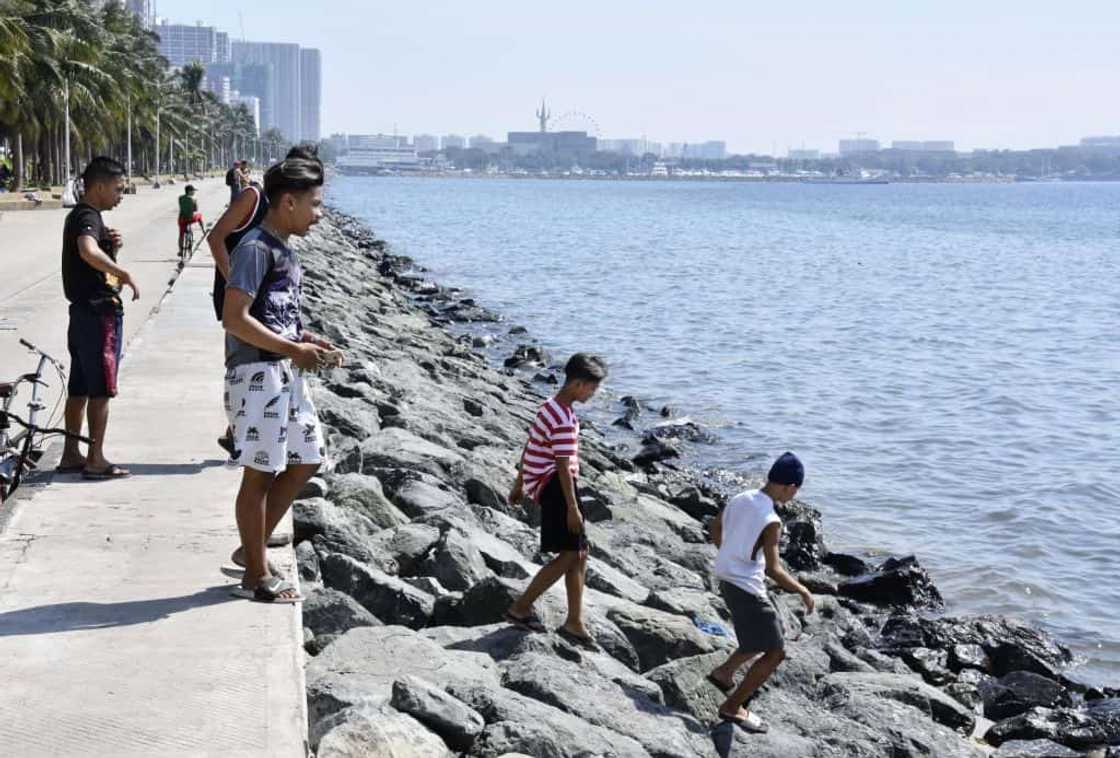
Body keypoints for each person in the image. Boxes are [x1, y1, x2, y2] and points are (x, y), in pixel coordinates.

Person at [222, 151, 341, 603]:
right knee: (259, 475)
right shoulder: (255, 248)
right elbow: (234, 318)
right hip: (258, 374)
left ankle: (250, 549)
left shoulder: (282, 249)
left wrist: (310, 340)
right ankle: (255, 575)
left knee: (306, 458)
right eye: (315, 204)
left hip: (283, 371)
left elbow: (276, 317)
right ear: (288, 202)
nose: (319, 214)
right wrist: (294, 349)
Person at [208, 145, 318, 461]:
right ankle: (240, 431)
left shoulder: (280, 225)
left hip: (258, 285)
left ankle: (237, 433)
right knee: (242, 353)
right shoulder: (254, 196)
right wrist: (237, 281)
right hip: (241, 282)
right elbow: (216, 237)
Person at [706, 451, 815, 733]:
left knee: (755, 640)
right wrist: (803, 590)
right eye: (796, 490)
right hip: (747, 586)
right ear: (790, 486)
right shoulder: (771, 520)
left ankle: (724, 672)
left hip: (727, 578)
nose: (794, 495)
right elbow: (774, 570)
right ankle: (733, 707)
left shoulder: (741, 497)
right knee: (776, 651)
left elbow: (715, 526)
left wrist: (728, 553)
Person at [505, 353, 608, 647]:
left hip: (546, 482)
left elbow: (531, 445)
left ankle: (574, 621)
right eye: (592, 388)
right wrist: (573, 509)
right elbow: (563, 465)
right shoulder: (563, 418)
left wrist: (520, 483)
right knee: (569, 554)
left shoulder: (550, 406)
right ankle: (520, 607)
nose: (594, 393)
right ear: (577, 384)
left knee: (579, 552)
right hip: (557, 487)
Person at [57, 157, 139, 480]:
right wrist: (123, 272)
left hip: (80, 314)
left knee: (78, 387)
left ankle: (70, 453)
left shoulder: (83, 216)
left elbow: (93, 251)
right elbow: (87, 251)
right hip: (98, 313)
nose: (122, 194)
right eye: (118, 189)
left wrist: (111, 246)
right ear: (99, 186)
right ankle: (96, 458)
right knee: (101, 390)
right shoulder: (87, 216)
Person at [177, 184, 204, 250]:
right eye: (193, 191)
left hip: (181, 219)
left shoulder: (180, 198)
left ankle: (180, 250)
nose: (194, 192)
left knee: (181, 235)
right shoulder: (193, 199)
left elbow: (181, 205)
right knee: (200, 216)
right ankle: (203, 230)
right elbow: (196, 209)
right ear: (189, 191)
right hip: (190, 218)